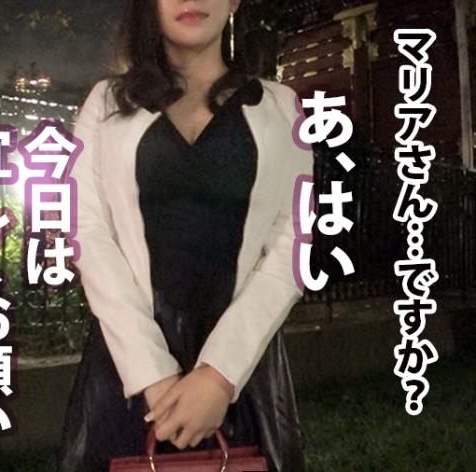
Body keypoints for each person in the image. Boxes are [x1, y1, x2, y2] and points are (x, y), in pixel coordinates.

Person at [57, 0, 312, 471]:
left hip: (244, 377)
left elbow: (294, 243)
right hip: (127, 372)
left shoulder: (282, 107)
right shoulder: (106, 104)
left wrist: (218, 376)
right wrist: (153, 376)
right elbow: (86, 231)